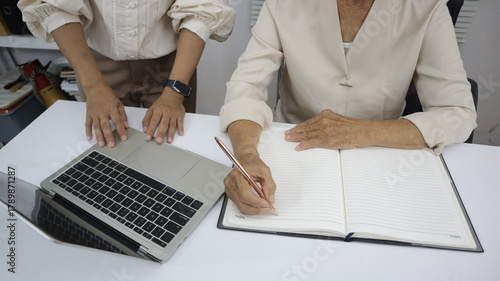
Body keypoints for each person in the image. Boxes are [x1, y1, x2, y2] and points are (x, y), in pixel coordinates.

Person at [219, 0, 477, 215]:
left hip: (380, 154)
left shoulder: (428, 7)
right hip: (293, 145)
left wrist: (362, 131)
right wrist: (246, 157)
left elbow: (457, 113)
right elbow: (246, 86)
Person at [18, 0, 235, 147]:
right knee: (107, 152)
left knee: (174, 150)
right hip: (97, 64)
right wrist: (93, 87)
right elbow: (53, 5)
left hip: (171, 66)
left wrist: (174, 93)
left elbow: (202, 6)